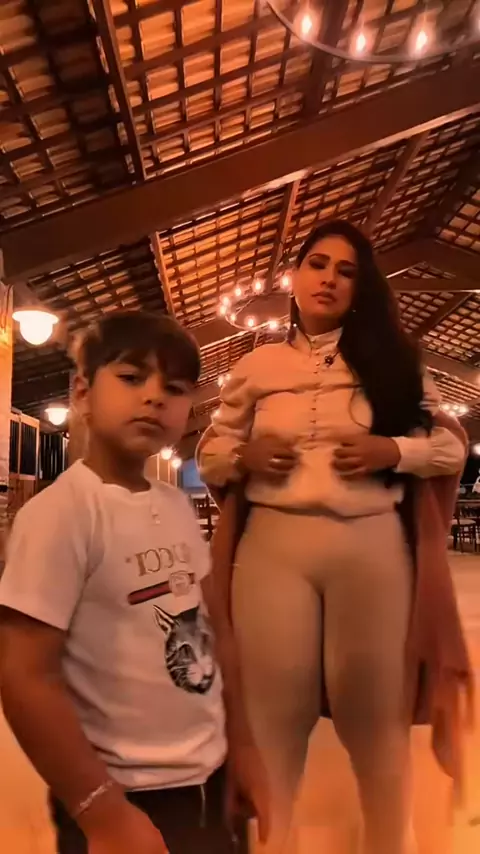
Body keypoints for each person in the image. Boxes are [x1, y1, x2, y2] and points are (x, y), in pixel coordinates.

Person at [197, 220, 466, 854]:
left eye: (346, 271)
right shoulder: (256, 364)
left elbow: (450, 448)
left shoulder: (397, 362)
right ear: (294, 277)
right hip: (273, 552)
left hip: (372, 550)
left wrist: (392, 450)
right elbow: (210, 452)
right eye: (318, 264)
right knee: (273, 720)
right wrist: (245, 457)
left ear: (360, 287)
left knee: (376, 724)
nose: (329, 279)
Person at [0, 311, 256, 854]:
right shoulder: (62, 514)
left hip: (211, 777)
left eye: (176, 388)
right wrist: (103, 813)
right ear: (83, 392)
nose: (155, 396)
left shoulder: (176, 505)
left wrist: (244, 750)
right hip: (122, 795)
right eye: (132, 377)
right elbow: (24, 675)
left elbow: (218, 634)